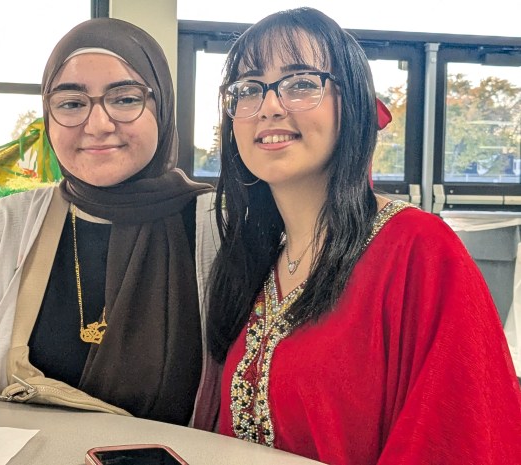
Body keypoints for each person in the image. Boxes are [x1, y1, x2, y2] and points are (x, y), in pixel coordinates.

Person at [206, 7, 521, 464]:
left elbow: (461, 439)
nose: (269, 106)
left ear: (352, 104)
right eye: (248, 89)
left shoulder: (419, 250)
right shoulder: (255, 260)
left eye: (300, 83)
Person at [0, 17, 218, 428]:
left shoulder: (219, 228)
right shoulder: (3, 228)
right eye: (71, 103)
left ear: (161, 105)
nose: (97, 125)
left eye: (125, 99)